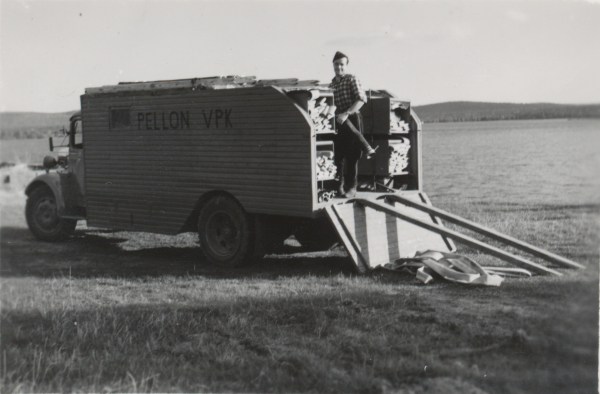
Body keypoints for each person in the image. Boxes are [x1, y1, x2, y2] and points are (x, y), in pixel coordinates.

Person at [329, 51, 376, 198]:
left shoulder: (351, 79)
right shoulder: (332, 84)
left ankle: (352, 188)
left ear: (346, 66)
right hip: (338, 121)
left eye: (342, 64)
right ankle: (339, 188)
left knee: (352, 155)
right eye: (336, 64)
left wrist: (347, 113)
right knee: (339, 155)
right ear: (333, 65)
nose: (339, 67)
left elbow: (361, 100)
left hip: (352, 117)